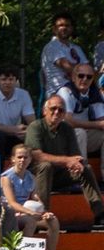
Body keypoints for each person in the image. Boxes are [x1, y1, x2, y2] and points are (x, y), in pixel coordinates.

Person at [25, 95, 104, 228]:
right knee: (46, 166)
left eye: (61, 110)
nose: (56, 112)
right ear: (45, 111)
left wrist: (76, 163)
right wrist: (67, 160)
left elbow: (75, 156)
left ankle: (99, 214)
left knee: (86, 168)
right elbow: (37, 156)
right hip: (37, 176)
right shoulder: (36, 126)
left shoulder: (67, 128)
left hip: (61, 174)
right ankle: (43, 215)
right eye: (53, 109)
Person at [1, 144, 59, 250]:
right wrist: (29, 212)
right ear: (13, 159)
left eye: (25, 157)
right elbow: (12, 203)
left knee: (53, 221)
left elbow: (36, 197)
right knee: (30, 221)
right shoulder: (6, 178)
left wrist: (44, 212)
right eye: (19, 157)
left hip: (26, 211)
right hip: (11, 213)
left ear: (30, 159)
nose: (22, 160)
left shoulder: (31, 177)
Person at [55, 62, 104, 171]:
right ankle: (82, 175)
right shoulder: (65, 92)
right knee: (80, 132)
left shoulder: (95, 93)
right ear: (73, 77)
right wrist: (97, 124)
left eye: (89, 77)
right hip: (62, 136)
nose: (85, 79)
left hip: (86, 135)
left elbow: (102, 120)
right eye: (81, 76)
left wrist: (100, 124)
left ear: (92, 80)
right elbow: (69, 122)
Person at [0, 65, 33, 158]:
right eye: (4, 79)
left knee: (33, 137)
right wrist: (13, 129)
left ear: (16, 81)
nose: (7, 82)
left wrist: (28, 131)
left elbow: (32, 121)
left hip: (14, 134)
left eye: (11, 79)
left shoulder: (23, 95)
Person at [40, 12, 88, 96]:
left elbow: (88, 69)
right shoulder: (51, 47)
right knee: (66, 92)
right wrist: (79, 72)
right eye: (61, 25)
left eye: (67, 25)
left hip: (79, 89)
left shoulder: (77, 48)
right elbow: (68, 67)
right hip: (58, 92)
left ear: (72, 28)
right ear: (54, 29)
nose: (64, 28)